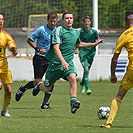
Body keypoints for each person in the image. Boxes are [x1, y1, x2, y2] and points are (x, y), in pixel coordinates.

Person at [32, 11, 104, 114]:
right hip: (56, 64)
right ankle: (39, 86)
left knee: (73, 78)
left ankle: (73, 102)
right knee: (47, 88)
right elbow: (56, 47)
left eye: (71, 18)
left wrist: (93, 44)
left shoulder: (75, 32)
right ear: (63, 20)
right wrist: (62, 61)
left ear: (73, 20)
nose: (69, 20)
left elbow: (78, 44)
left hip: (68, 63)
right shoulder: (58, 30)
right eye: (66, 18)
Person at [15, 12, 58, 109]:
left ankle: (44, 104)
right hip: (39, 58)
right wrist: (38, 49)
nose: (52, 23)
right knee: (37, 81)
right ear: (47, 20)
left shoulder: (57, 31)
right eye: (51, 21)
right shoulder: (41, 30)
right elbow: (29, 40)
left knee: (51, 81)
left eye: (54, 21)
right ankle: (24, 88)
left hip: (51, 59)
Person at [100, 11, 133, 128]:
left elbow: (115, 59)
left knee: (119, 95)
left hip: (132, 71)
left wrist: (113, 75)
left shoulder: (124, 36)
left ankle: (108, 123)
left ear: (125, 23)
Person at [75, 16, 100, 95]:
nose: (87, 23)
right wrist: (76, 49)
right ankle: (88, 88)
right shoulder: (80, 32)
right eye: (85, 21)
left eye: (88, 21)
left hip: (91, 53)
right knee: (86, 69)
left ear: (90, 22)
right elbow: (76, 41)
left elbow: (97, 38)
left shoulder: (94, 31)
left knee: (87, 71)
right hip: (82, 53)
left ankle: (82, 84)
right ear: (83, 22)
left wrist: (99, 41)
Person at [0, 12, 18, 116]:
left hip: (4, 66)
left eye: (2, 19)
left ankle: (4, 110)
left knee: (9, 91)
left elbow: (12, 47)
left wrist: (14, 50)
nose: (0, 21)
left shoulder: (6, 36)